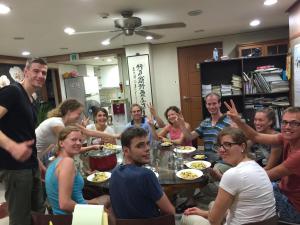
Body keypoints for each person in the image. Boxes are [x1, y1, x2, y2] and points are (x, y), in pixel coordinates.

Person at [181, 127, 277, 225]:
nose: (221, 150)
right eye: (220, 146)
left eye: (228, 145)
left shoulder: (232, 174)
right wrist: (203, 213)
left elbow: (214, 221)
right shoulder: (257, 167)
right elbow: (243, 208)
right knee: (212, 204)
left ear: (242, 147)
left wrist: (207, 215)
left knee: (187, 217)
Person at [225, 100, 300, 223]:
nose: (287, 127)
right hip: (282, 189)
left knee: (248, 194)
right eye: (285, 122)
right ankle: (222, 214)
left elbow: (265, 176)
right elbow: (256, 136)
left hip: (294, 207)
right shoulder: (285, 137)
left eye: (294, 123)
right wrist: (238, 120)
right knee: (246, 196)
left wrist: (231, 179)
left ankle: (219, 215)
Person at [0, 57, 48, 225]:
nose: (40, 75)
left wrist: (38, 163)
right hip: (15, 168)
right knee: (21, 219)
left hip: (31, 166)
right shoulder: (12, 92)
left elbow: (26, 136)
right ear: (25, 72)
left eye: (44, 72)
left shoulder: (31, 100)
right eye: (36, 71)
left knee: (38, 213)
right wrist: (11, 146)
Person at [109, 127, 175, 219]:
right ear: (126, 151)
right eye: (140, 145)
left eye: (148, 144)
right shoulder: (146, 175)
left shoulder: (114, 172)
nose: (147, 149)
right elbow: (171, 212)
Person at [45, 126, 110, 215]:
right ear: (61, 143)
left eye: (80, 140)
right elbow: (64, 204)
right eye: (73, 139)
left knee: (107, 198)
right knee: (110, 207)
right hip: (72, 217)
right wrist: (96, 210)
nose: (78, 143)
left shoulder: (53, 162)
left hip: (59, 216)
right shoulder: (67, 162)